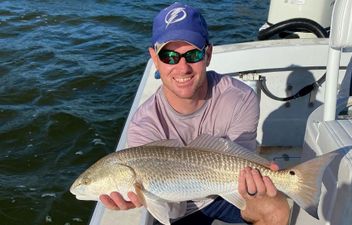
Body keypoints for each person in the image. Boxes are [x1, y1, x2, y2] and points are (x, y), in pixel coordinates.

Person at [99, 2, 289, 225]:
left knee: (276, 210)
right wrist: (144, 197)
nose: (182, 68)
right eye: (169, 56)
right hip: (179, 207)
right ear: (154, 59)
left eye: (192, 55)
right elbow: (170, 208)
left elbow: (241, 162)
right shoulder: (144, 125)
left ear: (207, 54)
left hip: (226, 190)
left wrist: (259, 185)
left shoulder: (240, 98)